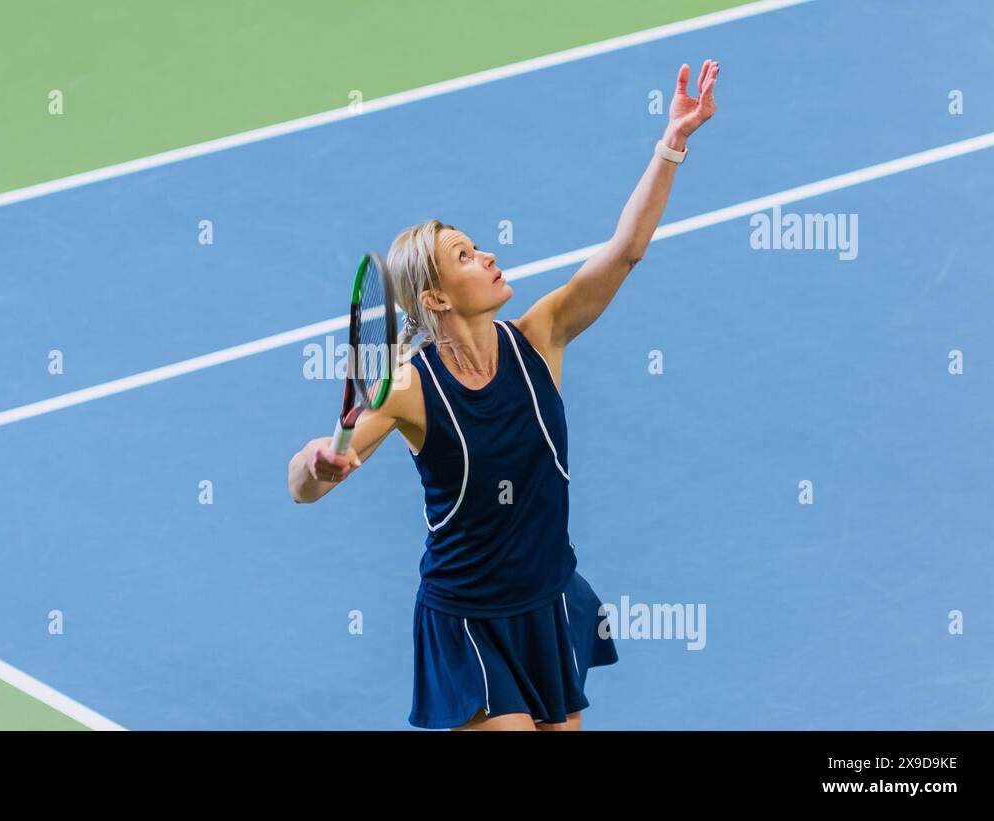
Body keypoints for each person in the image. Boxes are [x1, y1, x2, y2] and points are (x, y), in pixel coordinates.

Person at [288, 60, 719, 730]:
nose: (488, 257)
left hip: (547, 599)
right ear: (434, 297)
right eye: (465, 256)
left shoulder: (541, 336)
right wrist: (316, 462)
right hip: (468, 620)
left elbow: (626, 249)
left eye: (480, 246)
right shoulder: (407, 387)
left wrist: (673, 144)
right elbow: (306, 485)